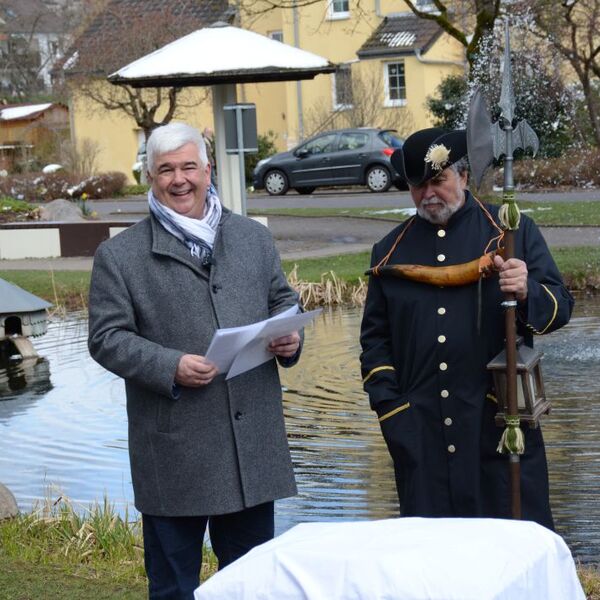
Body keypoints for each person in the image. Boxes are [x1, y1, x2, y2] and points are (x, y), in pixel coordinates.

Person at [88, 122, 302, 599]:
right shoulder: (119, 256)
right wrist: (169, 365)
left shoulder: (252, 237)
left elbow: (282, 302)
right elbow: (105, 338)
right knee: (173, 590)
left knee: (251, 586)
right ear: (150, 177)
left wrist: (289, 339)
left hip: (251, 449)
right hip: (175, 454)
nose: (179, 179)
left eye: (189, 166)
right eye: (166, 169)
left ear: (208, 171)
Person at [360, 127, 573, 529]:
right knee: (433, 564)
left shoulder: (510, 232)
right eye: (417, 186)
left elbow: (561, 309)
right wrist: (393, 413)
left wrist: (527, 292)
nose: (428, 194)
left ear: (462, 176)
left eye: (437, 181)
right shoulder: (390, 250)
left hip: (498, 428)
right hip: (421, 435)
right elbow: (375, 345)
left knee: (512, 552)